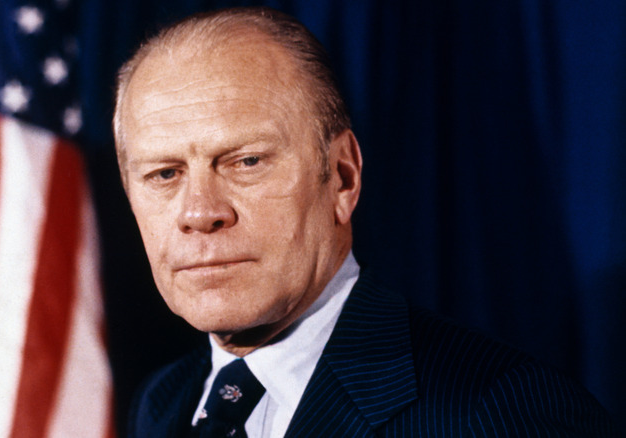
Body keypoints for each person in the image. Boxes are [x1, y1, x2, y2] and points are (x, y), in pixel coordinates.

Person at [111, 6, 615, 437]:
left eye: (246, 162)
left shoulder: (500, 413)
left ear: (343, 178)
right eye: (164, 173)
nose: (200, 212)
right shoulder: (164, 403)